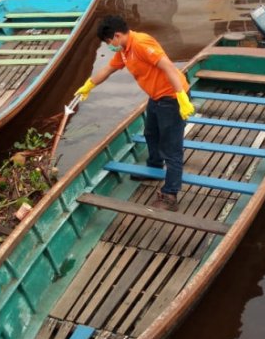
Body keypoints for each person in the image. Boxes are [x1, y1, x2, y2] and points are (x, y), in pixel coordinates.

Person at [74, 15, 195, 211]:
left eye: (108, 42)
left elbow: (168, 67)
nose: (109, 46)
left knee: (171, 147)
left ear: (117, 35)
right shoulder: (124, 50)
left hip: (172, 97)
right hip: (156, 97)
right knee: (151, 134)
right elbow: (108, 69)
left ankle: (170, 194)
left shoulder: (140, 44)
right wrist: (88, 85)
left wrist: (181, 96)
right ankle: (154, 167)